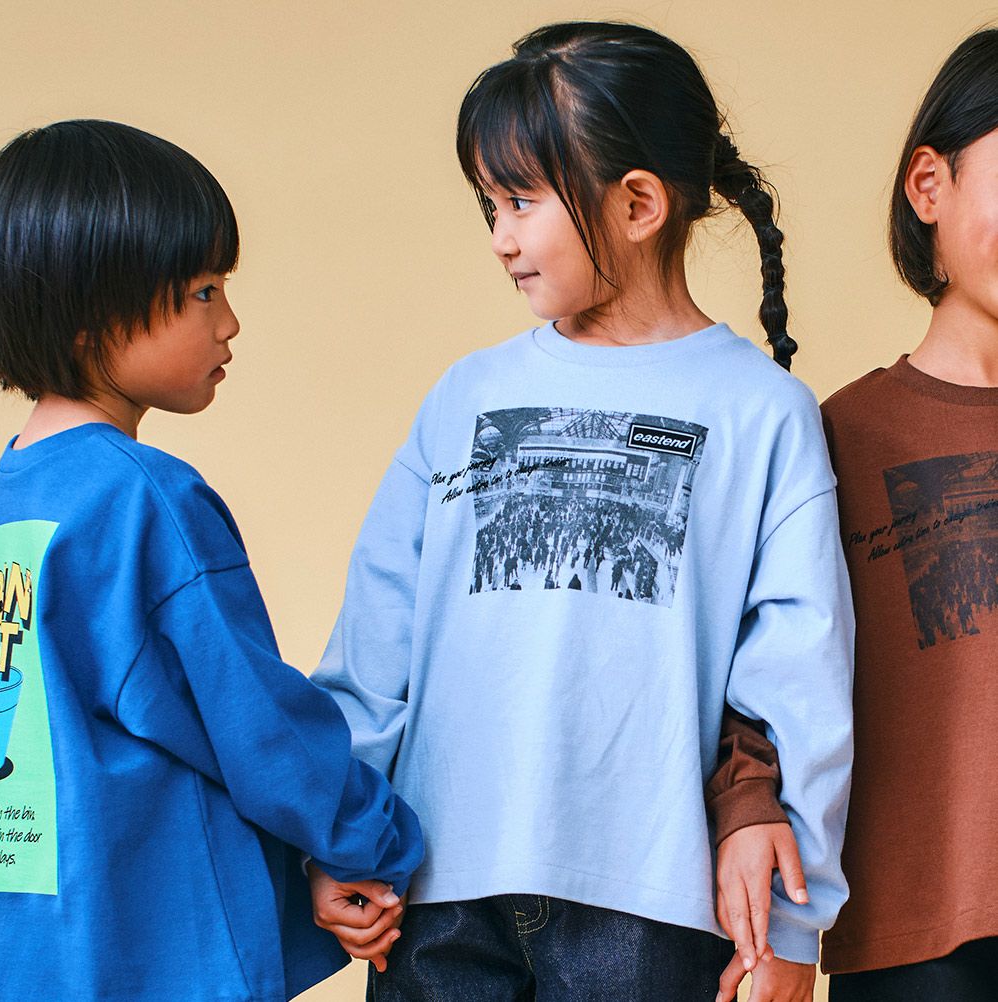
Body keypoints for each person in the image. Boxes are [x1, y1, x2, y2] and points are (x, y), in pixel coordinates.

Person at [311, 22, 853, 1001]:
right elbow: (375, 639)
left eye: (521, 201)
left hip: (650, 904)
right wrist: (339, 835)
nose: (501, 237)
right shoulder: (465, 395)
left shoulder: (761, 412)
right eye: (491, 204)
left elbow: (799, 670)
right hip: (438, 891)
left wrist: (791, 920)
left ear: (638, 203)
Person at [0, 120, 423, 1001]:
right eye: (202, 290)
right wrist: (367, 842)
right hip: (155, 959)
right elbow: (256, 723)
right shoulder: (143, 498)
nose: (229, 322)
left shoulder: (12, 500)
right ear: (92, 314)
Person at [713, 27, 998, 1002]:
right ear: (930, 185)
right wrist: (776, 901)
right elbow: (760, 684)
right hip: (920, 943)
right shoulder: (839, 437)